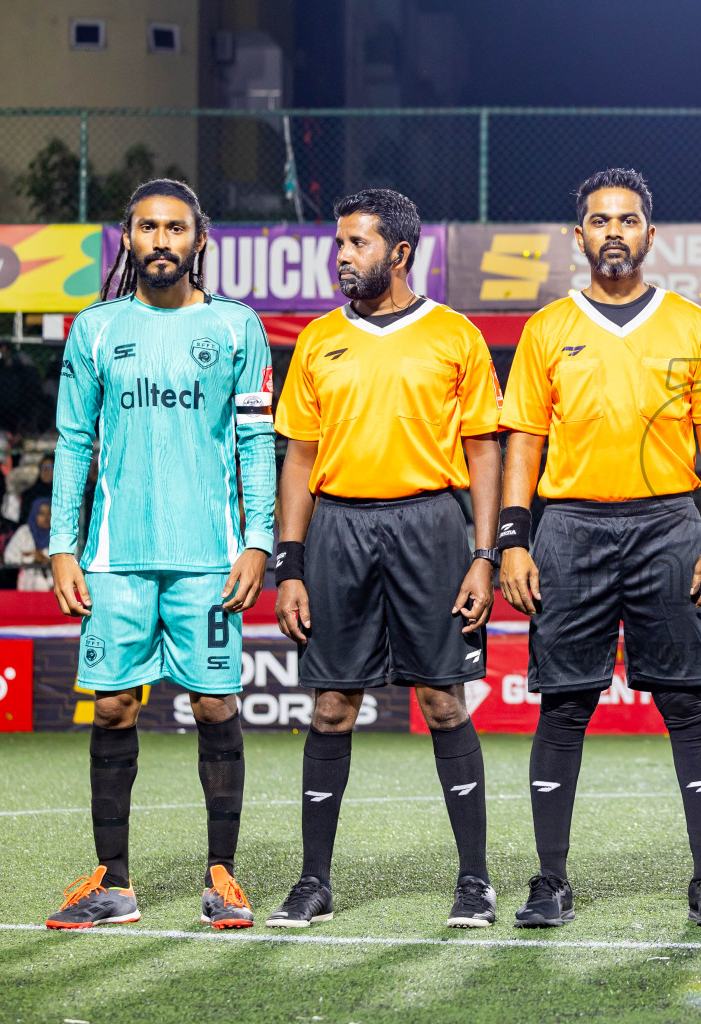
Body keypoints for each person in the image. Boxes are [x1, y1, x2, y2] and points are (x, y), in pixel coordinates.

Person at [497, 168, 701, 928]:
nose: (613, 232)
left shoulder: (691, 325)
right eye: (600, 221)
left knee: (686, 702)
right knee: (564, 705)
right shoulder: (546, 329)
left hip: (670, 524)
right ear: (579, 236)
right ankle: (550, 880)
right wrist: (513, 539)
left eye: (627, 220)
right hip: (569, 527)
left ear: (649, 234)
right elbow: (522, 442)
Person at [269, 189, 503, 930]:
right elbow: (298, 457)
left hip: (431, 525)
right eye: (338, 243)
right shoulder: (317, 340)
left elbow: (484, 451)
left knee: (443, 702)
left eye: (357, 243)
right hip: (338, 528)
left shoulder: (455, 335)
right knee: (331, 706)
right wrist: (290, 564)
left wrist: (485, 556)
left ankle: (475, 881)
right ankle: (313, 882)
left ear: (400, 252)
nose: (341, 256)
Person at [44, 179, 275, 930]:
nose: (162, 240)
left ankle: (222, 877)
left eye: (176, 228)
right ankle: (112, 884)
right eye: (148, 227)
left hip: (209, 557)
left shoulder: (237, 327)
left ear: (198, 238)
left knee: (215, 704)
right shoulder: (95, 329)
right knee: (113, 706)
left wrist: (259, 539)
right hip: (115, 557)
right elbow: (74, 442)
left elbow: (255, 441)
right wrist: (63, 546)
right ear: (128, 238)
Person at [4, 497, 52, 591]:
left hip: (53, 582)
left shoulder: (61, 533)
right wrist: (32, 558)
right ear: (34, 514)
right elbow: (8, 557)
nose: (46, 517)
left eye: (50, 513)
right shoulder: (24, 532)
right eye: (41, 513)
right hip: (27, 585)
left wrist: (44, 555)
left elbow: (73, 556)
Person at [20, 455, 53, 521]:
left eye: (50, 467)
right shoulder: (29, 495)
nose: (46, 470)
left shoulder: (64, 494)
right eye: (42, 467)